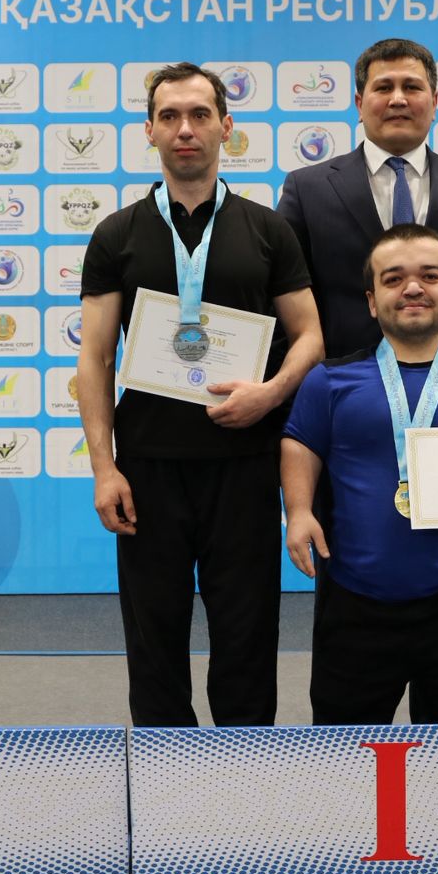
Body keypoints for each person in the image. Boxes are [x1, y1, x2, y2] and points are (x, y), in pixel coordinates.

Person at [78, 62, 323, 727]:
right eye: (170, 117)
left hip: (244, 464)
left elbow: (310, 336)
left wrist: (270, 393)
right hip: (148, 468)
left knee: (247, 637)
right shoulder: (117, 234)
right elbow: (95, 358)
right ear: (150, 131)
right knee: (153, 641)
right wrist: (104, 468)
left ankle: (242, 771)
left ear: (226, 127)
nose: (185, 129)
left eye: (199, 115)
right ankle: (165, 774)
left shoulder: (268, 230)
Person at [282, 224, 438, 725]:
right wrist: (299, 510)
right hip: (356, 606)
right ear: (372, 301)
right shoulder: (329, 382)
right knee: (345, 756)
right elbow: (300, 442)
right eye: (393, 279)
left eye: (429, 276)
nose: (413, 288)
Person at [276, 37, 438, 367]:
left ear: (434, 102)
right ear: (359, 104)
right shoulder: (308, 189)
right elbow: (283, 299)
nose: (398, 99)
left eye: (411, 87)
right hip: (342, 382)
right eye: (383, 87)